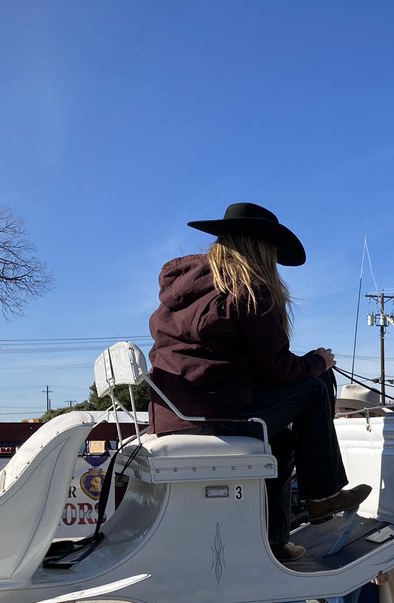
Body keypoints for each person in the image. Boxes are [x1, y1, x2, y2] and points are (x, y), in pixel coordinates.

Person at [147, 202, 370, 561]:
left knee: (280, 439)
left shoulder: (185, 292)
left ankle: (275, 542)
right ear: (261, 248)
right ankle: (323, 495)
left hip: (175, 414)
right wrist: (319, 361)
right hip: (220, 413)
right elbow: (280, 371)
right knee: (314, 388)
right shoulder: (248, 290)